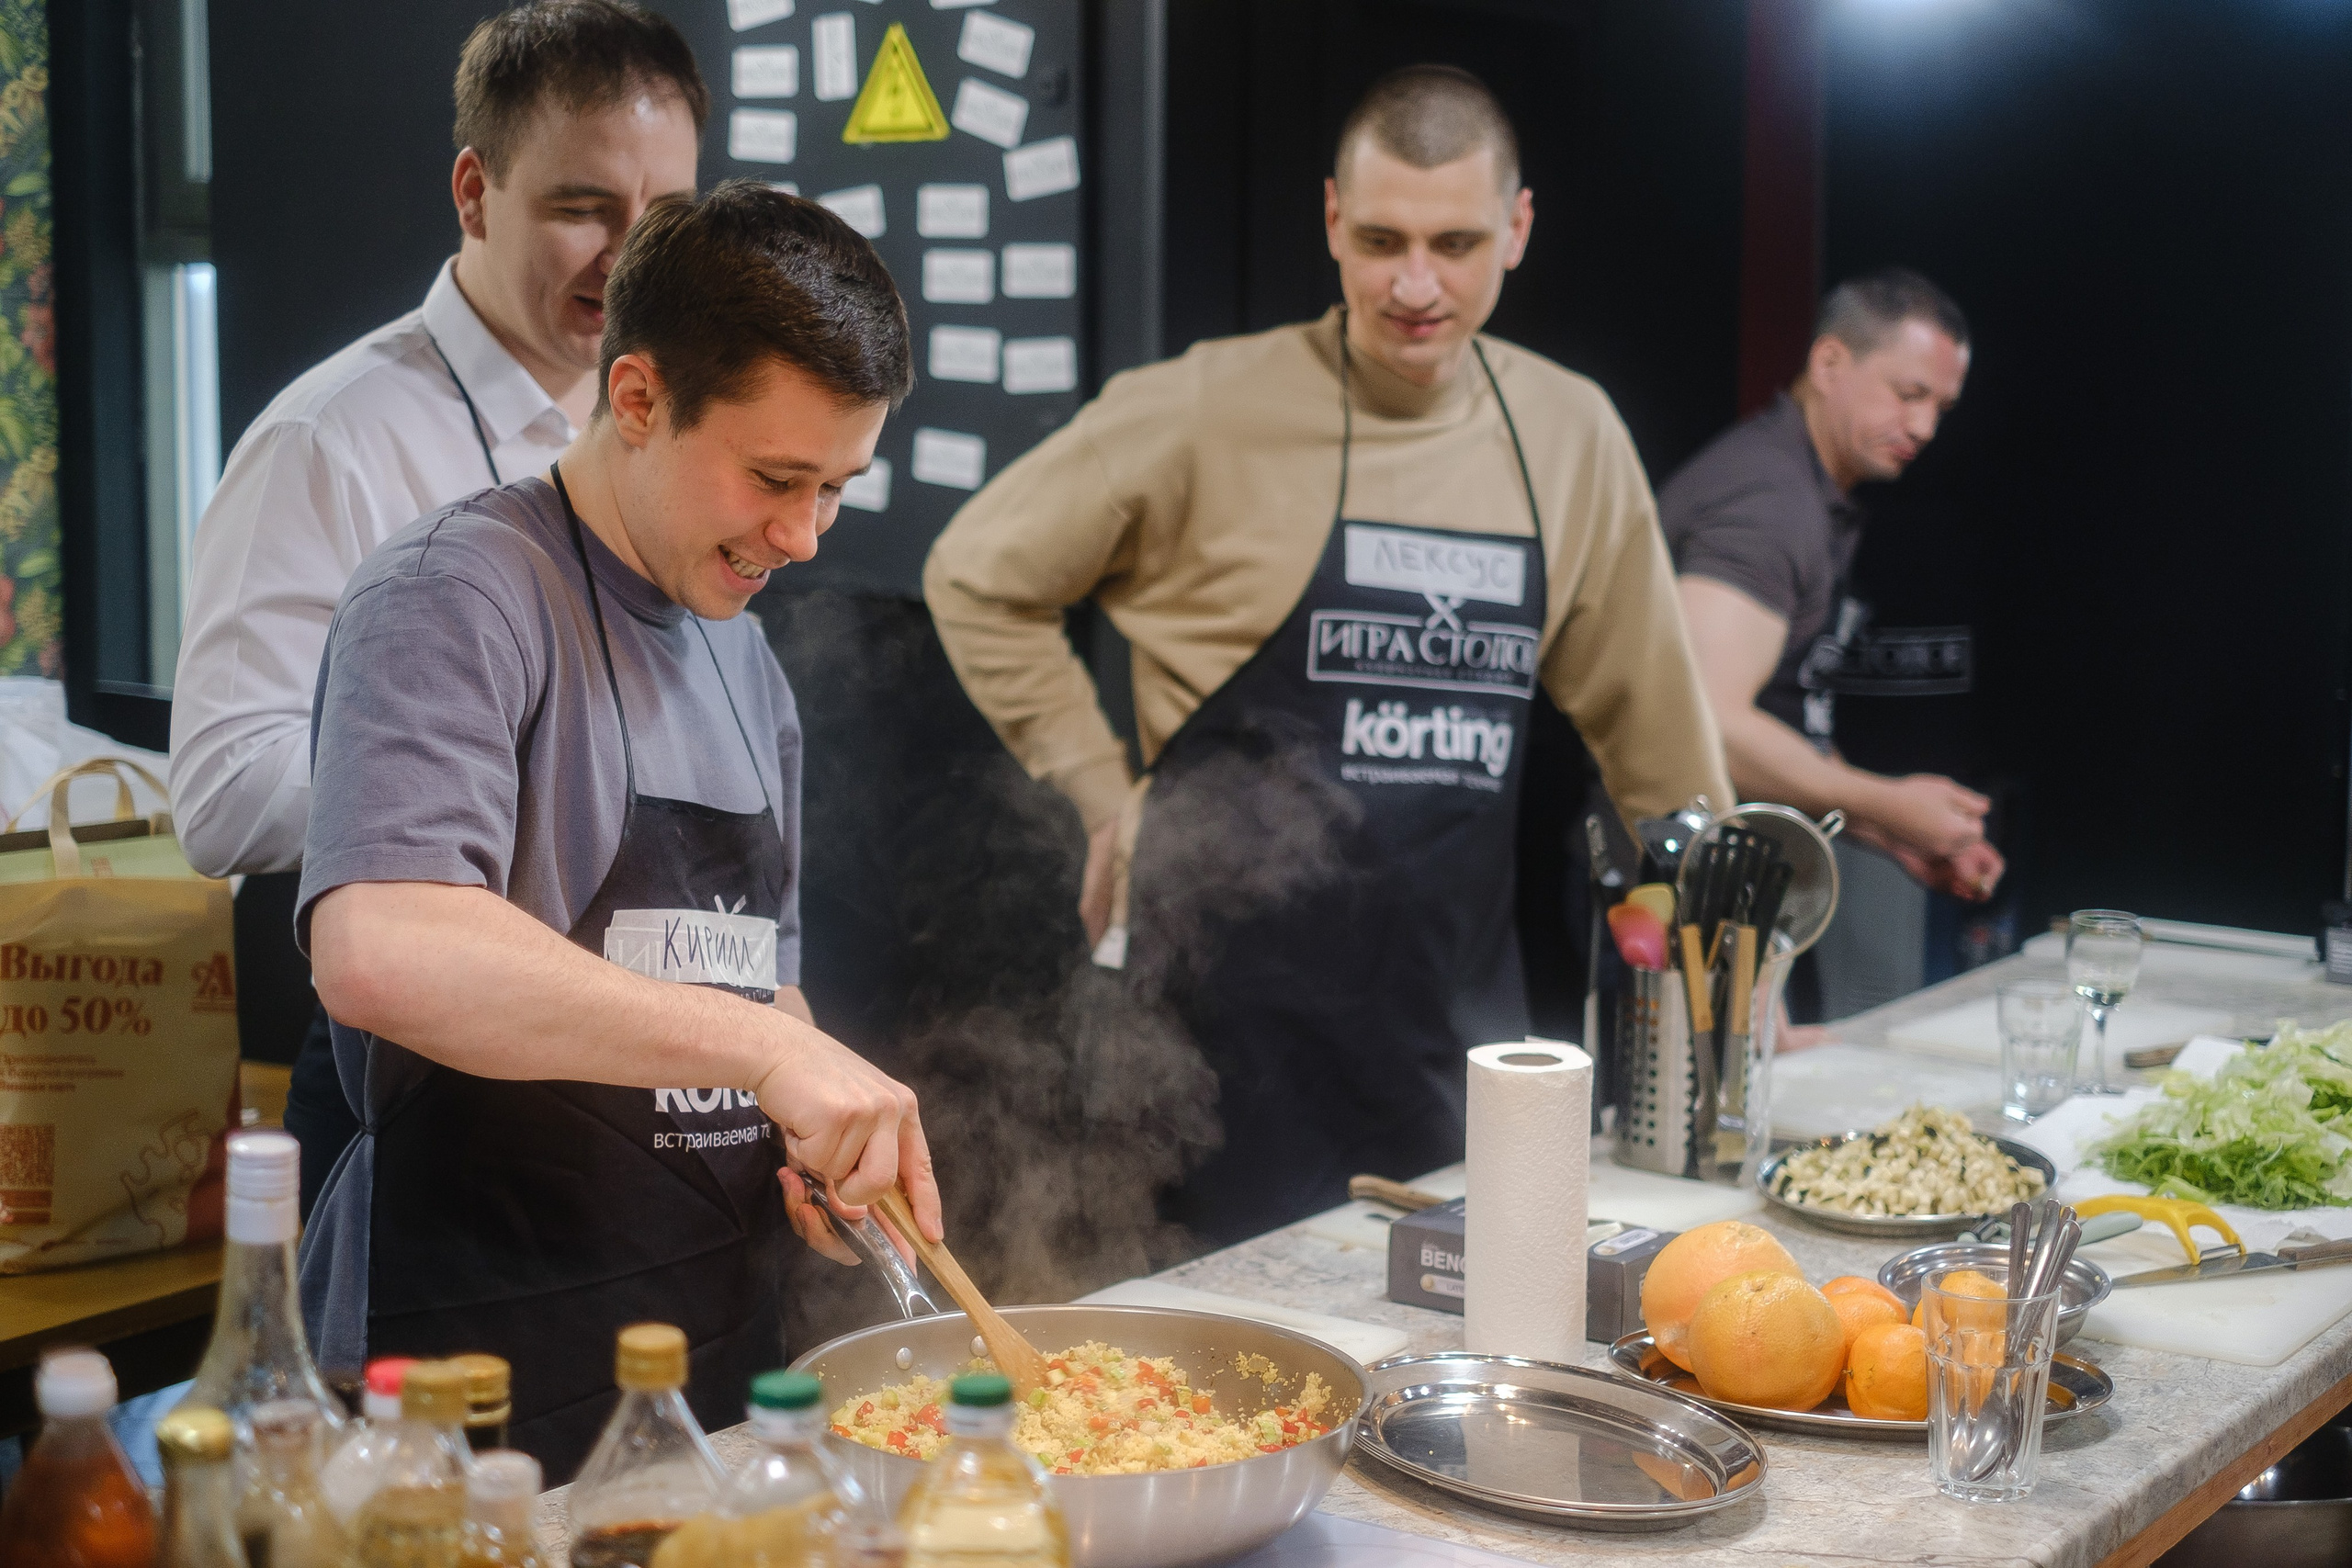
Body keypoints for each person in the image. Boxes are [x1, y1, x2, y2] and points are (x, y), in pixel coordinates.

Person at [922, 66, 1733, 1247]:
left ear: (1516, 228)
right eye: (1380, 241)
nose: (1415, 285)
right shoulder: (1203, 408)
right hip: (1216, 1054)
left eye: (1455, 243)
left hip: (1451, 1031)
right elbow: (976, 571)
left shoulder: (1571, 433)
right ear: (1328, 223)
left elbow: (1658, 743)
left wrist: (1728, 974)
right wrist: (1101, 794)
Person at [294, 183, 937, 1478]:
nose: (803, 535)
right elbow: (382, 945)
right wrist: (761, 1047)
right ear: (636, 397)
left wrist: (816, 1127)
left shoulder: (746, 660)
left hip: (707, 1341)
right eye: (775, 478)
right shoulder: (456, 596)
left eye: (837, 488)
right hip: (475, 1370)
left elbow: (752, 971)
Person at [168, 0, 706, 1219]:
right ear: (475, 192)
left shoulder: (655, 422)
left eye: (661, 217)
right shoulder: (332, 436)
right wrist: (461, 775)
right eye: (583, 208)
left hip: (619, 1054)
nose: (626, 256)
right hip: (405, 1071)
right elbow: (214, 797)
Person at [1660, 268, 2001, 904]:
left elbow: (1789, 720)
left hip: (1743, 876)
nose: (1925, 427)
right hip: (1679, 887)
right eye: (1908, 393)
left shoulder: (1813, 494)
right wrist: (1888, 802)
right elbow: (1710, 721)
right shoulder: (1767, 504)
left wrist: (1896, 834)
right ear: (1828, 362)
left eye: (1940, 408)